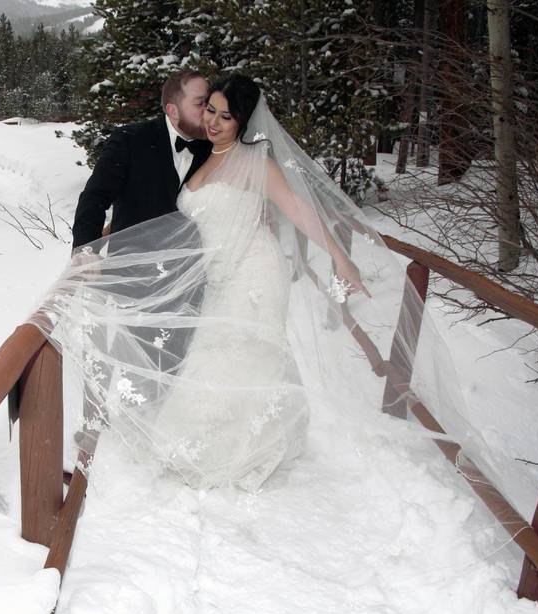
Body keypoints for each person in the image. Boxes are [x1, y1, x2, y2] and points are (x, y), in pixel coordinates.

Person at [32, 74, 403, 492]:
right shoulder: (180, 148)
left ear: (242, 122)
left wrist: (340, 257)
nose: (213, 119)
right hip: (195, 276)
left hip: (251, 273)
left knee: (240, 356)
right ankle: (119, 430)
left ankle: (244, 447)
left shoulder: (254, 161)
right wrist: (85, 250)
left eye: (225, 115)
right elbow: (99, 198)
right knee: (196, 356)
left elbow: (298, 210)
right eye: (208, 108)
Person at [71, 71, 213, 249]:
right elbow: (95, 197)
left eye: (210, 101)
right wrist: (86, 249)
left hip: (188, 270)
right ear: (173, 111)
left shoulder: (214, 148)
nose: (209, 111)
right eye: (201, 103)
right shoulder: (129, 140)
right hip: (131, 268)